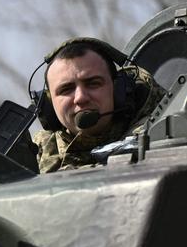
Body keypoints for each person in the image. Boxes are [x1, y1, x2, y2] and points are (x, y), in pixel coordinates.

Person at [32, 38, 166, 173]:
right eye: (66, 90)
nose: (80, 98)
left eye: (93, 83)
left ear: (119, 90)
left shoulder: (160, 135)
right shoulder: (34, 154)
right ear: (49, 104)